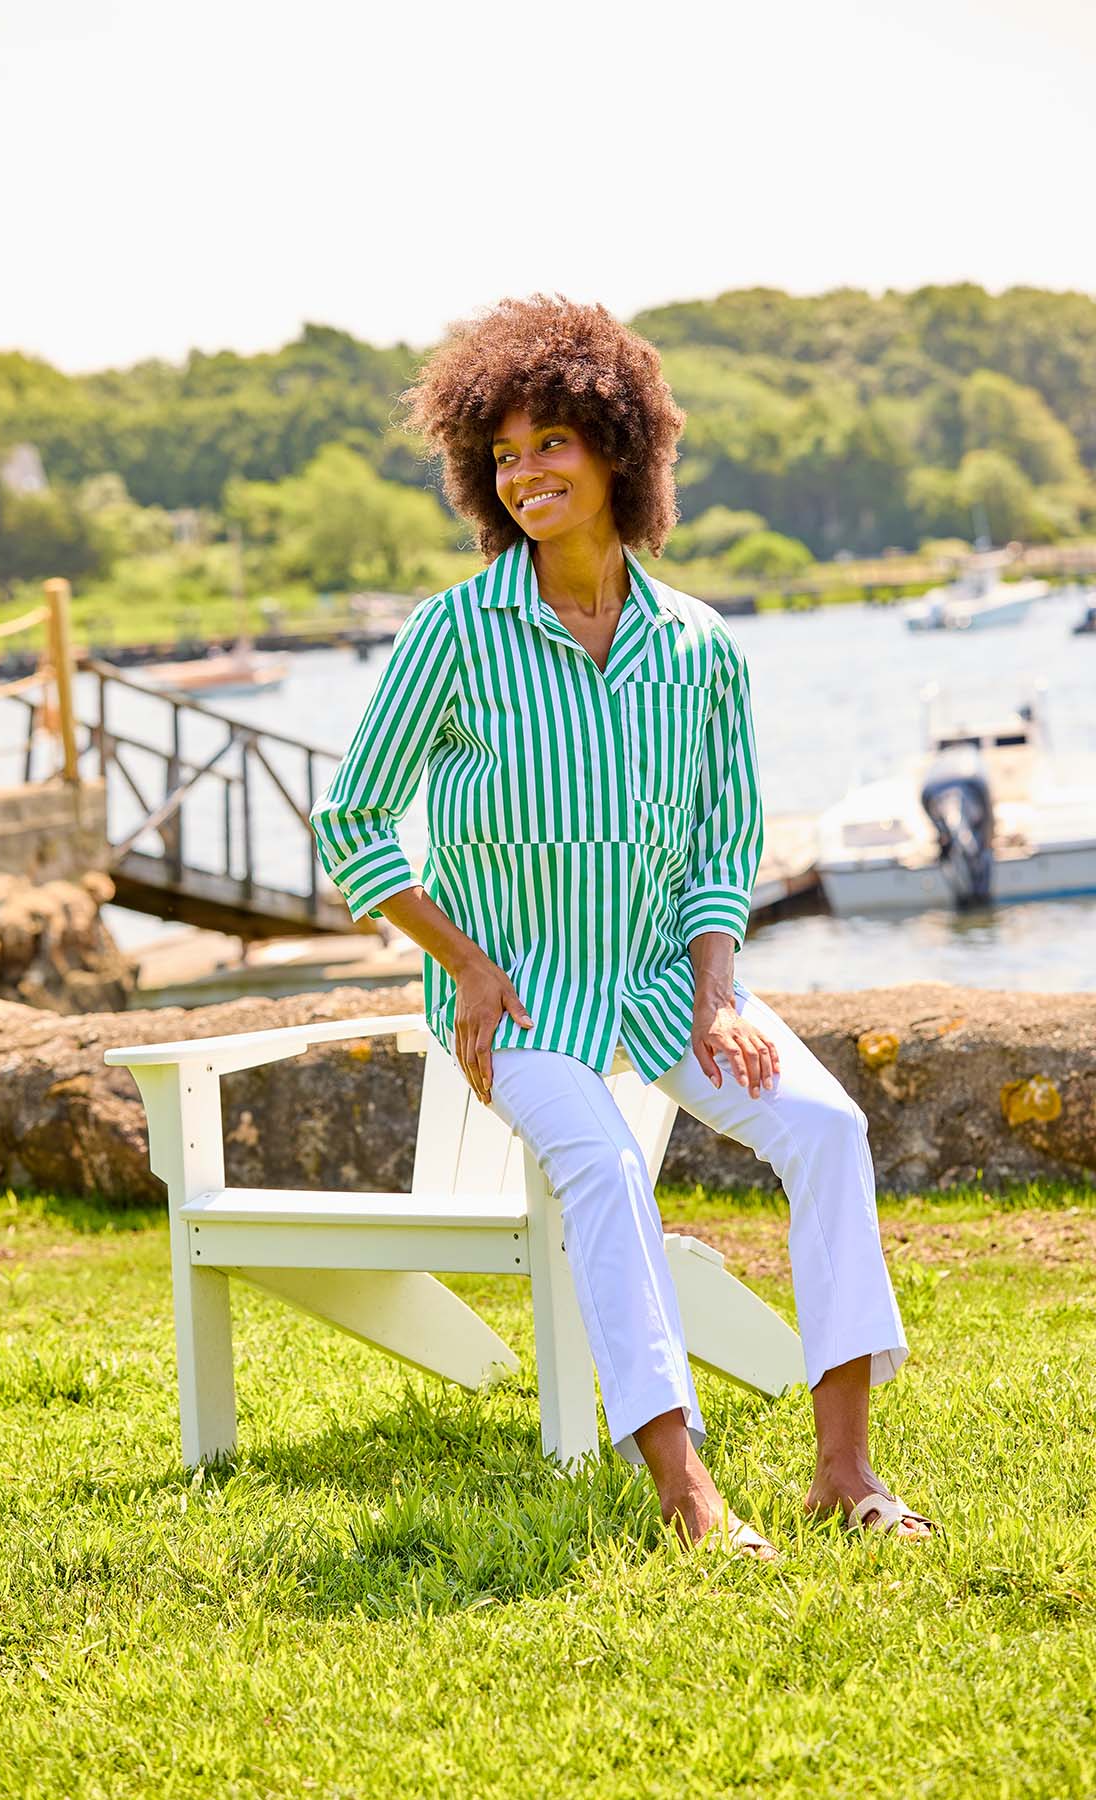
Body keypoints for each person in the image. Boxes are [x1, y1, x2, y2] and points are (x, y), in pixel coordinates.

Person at [310, 294, 936, 1556]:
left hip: (661, 982)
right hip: (522, 996)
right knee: (601, 1163)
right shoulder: (454, 634)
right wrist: (468, 968)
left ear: (617, 448)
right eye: (503, 454)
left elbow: (723, 839)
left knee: (827, 1126)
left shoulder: (699, 647)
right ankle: (686, 1492)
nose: (527, 472)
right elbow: (353, 825)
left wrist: (719, 989)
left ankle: (846, 1471)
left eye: (551, 443)